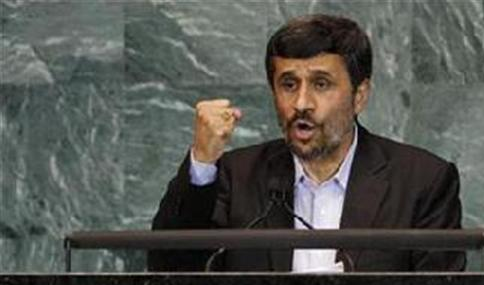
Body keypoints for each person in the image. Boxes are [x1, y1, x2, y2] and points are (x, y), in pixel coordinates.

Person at [148, 14, 465, 272]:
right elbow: (168, 271)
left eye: (321, 84)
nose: (301, 103)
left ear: (359, 95)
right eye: (288, 84)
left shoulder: (421, 181)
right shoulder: (237, 175)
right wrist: (204, 162)